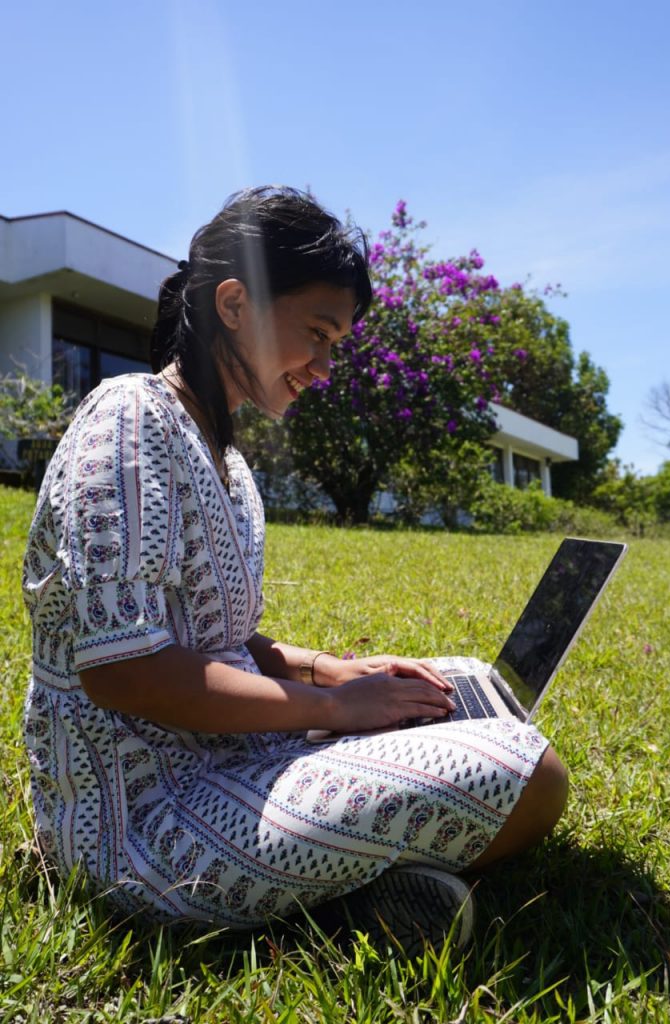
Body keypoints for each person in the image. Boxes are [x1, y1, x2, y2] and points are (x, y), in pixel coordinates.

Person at [23, 186, 567, 955]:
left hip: (231, 753)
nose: (324, 366)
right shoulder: (129, 417)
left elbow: (222, 640)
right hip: (144, 822)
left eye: (336, 343)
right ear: (236, 303)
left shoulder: (230, 462)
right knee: (532, 774)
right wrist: (340, 713)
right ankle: (347, 914)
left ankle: (359, 887)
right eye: (316, 333)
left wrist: (334, 673)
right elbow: (125, 672)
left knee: (467, 689)